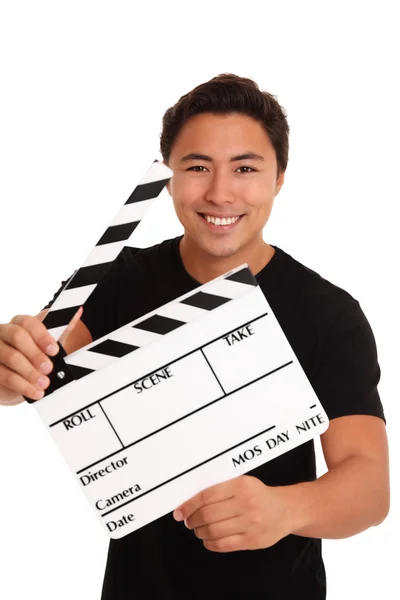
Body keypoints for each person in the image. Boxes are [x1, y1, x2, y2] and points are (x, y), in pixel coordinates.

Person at [0, 74, 390, 599]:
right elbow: (37, 366)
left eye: (246, 168)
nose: (220, 192)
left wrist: (285, 508)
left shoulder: (329, 314)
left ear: (279, 178)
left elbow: (370, 485)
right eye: (197, 167)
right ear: (167, 177)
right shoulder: (119, 278)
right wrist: (12, 367)